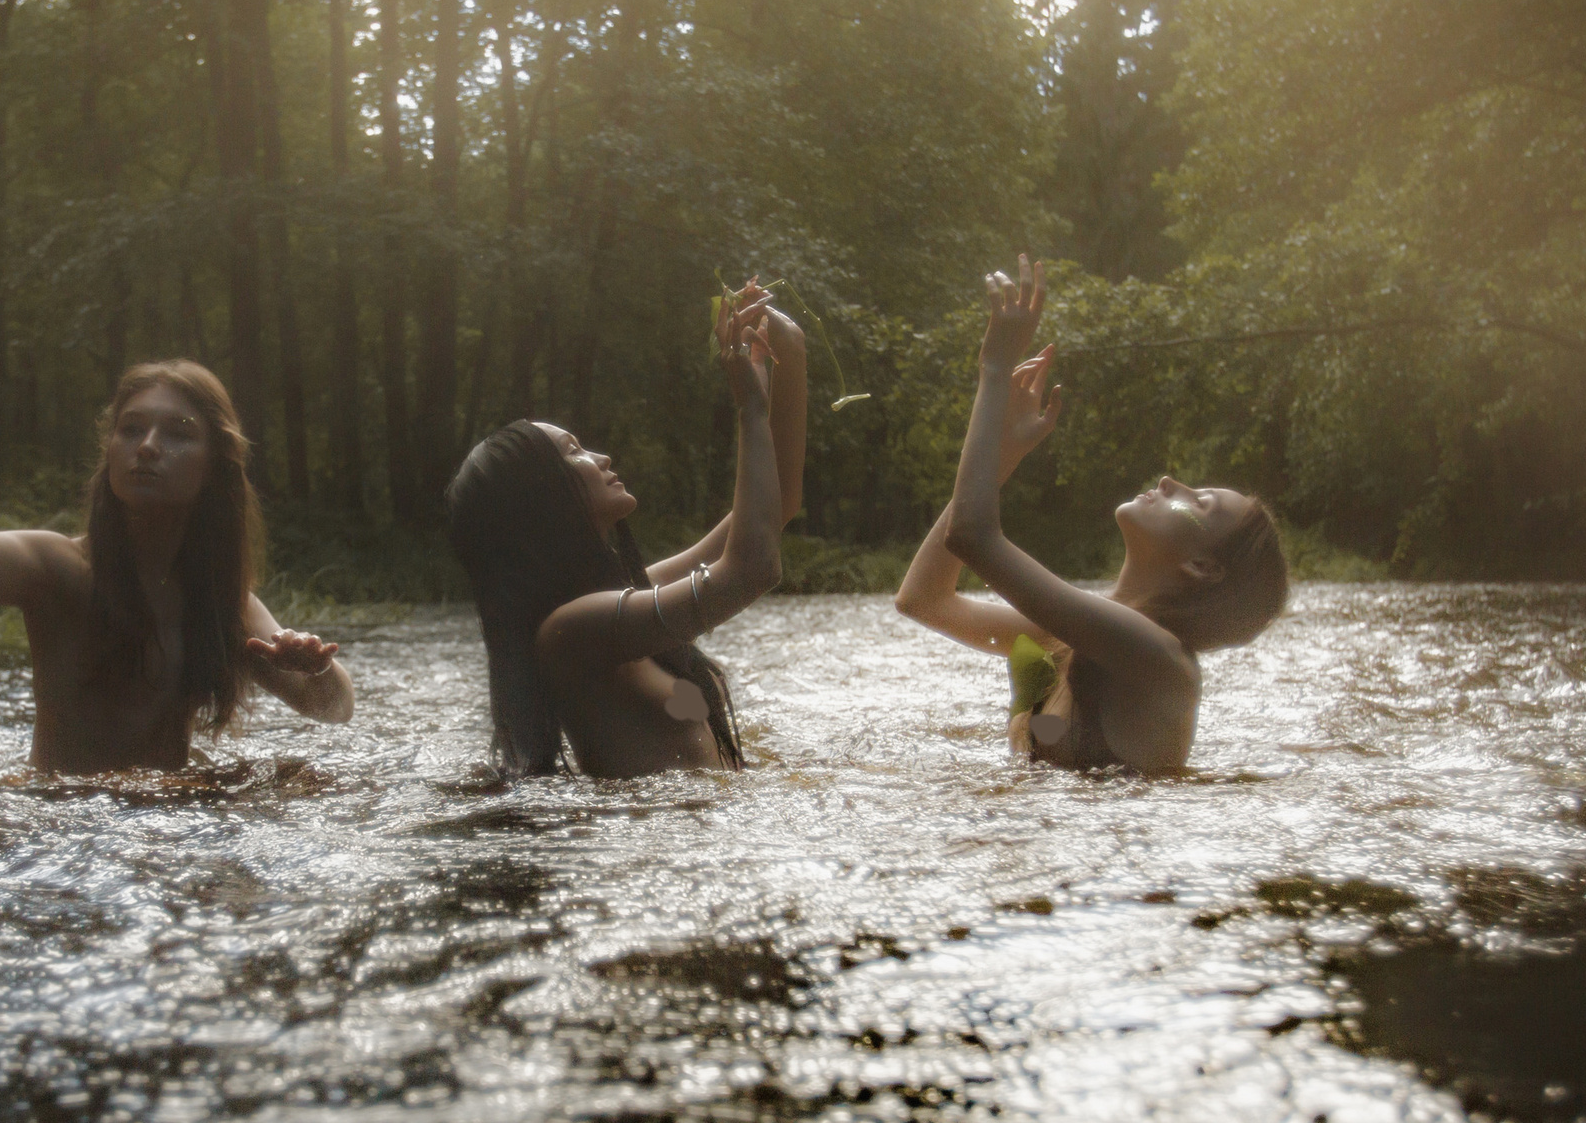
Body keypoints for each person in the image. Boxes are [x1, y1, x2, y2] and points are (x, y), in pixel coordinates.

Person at [0, 245, 353, 773]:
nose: (148, 446)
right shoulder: (56, 570)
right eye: (131, 429)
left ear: (216, 470)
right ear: (109, 453)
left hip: (179, 829)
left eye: (177, 434)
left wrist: (314, 669)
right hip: (60, 827)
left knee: (309, 782)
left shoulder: (225, 603)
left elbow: (334, 711)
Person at [895, 258, 1289, 772]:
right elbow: (923, 600)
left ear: (1202, 566)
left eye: (1200, 503)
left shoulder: (1158, 659)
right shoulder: (1066, 640)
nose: (1173, 483)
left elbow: (973, 536)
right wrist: (1002, 462)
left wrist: (993, 373)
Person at [447, 283, 806, 777]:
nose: (601, 458)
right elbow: (752, 569)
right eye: (575, 453)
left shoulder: (628, 596)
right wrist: (749, 409)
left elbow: (779, 504)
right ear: (541, 502)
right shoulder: (568, 631)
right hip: (662, 848)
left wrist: (785, 357)